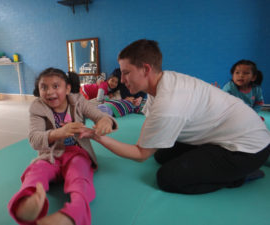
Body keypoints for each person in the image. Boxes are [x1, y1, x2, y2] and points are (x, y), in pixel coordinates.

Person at [83, 39, 270, 194]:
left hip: (247, 149)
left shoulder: (168, 103)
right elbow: (149, 128)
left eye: (126, 73)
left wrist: (97, 138)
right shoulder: (163, 80)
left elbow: (140, 154)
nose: (121, 80)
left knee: (167, 179)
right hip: (227, 133)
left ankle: (237, 177)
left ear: (146, 69)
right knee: (162, 154)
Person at [8, 68, 117, 225]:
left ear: (67, 88)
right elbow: (34, 139)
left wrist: (105, 121)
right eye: (44, 87)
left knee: (79, 177)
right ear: (38, 91)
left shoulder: (78, 100)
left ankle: (72, 215)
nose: (49, 92)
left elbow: (99, 115)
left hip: (77, 153)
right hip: (50, 154)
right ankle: (27, 202)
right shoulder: (37, 108)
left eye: (55, 86)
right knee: (36, 171)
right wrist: (59, 132)